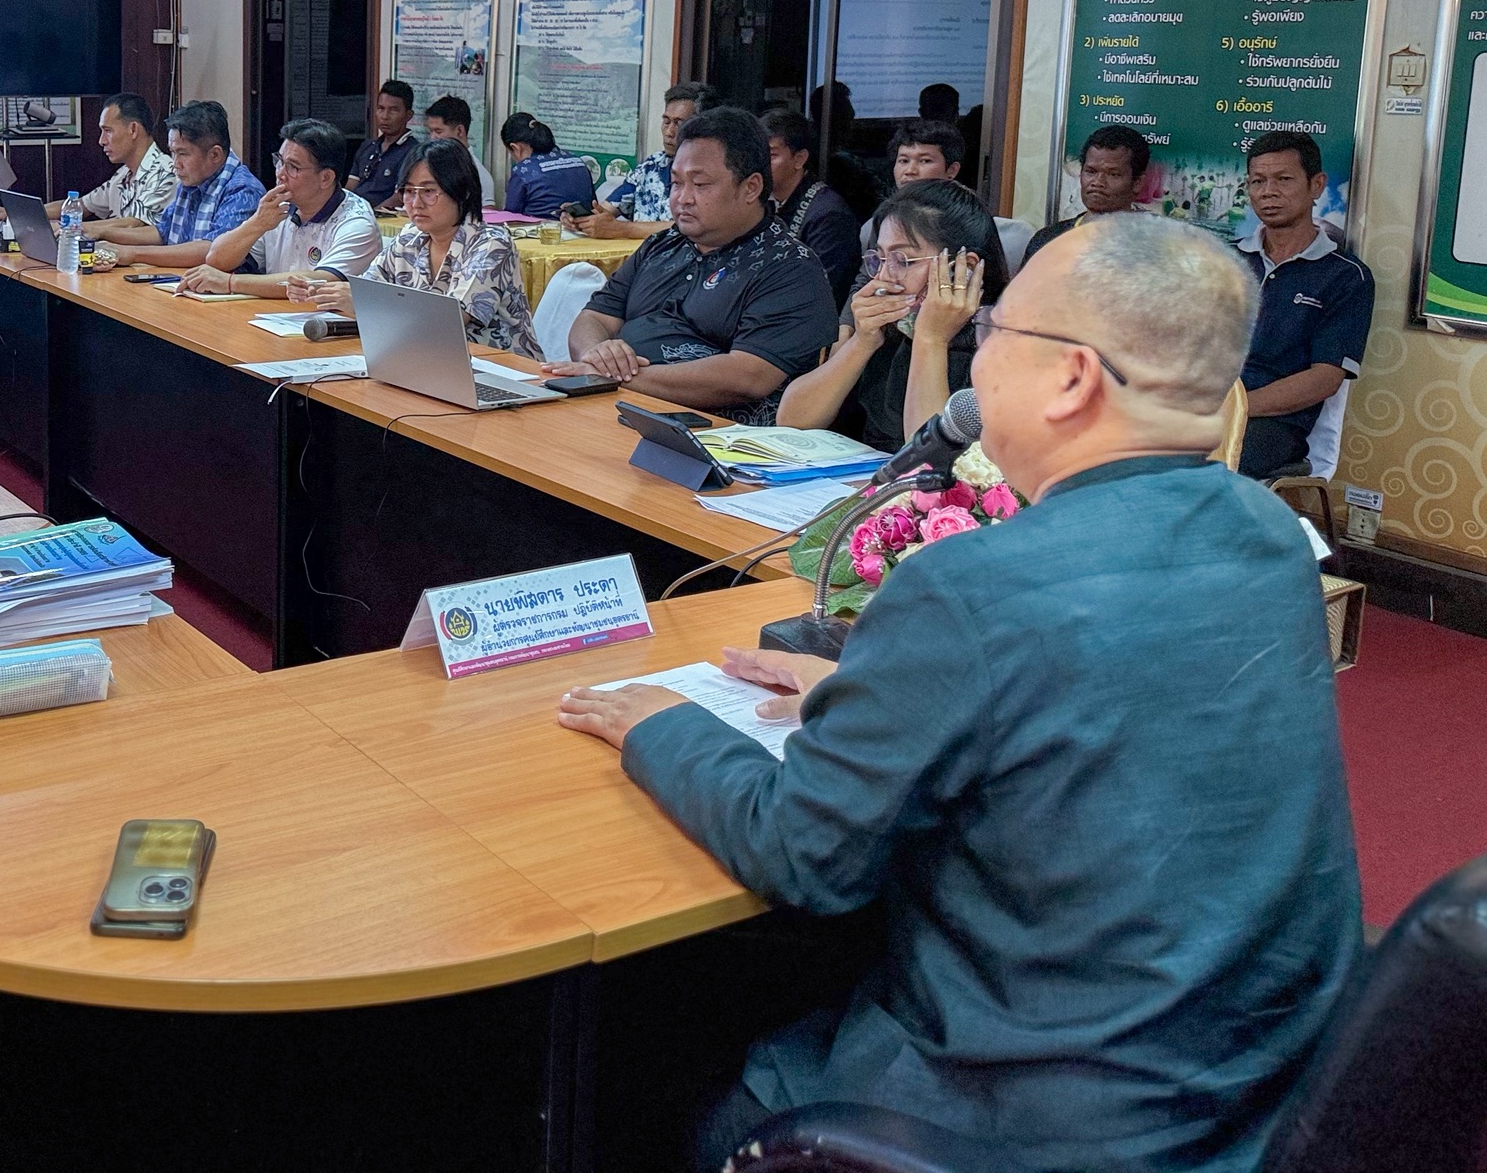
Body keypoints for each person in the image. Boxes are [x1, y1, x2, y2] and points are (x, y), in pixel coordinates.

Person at [560, 214, 1360, 1172]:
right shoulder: (1268, 536)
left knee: (652, 1068)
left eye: (994, 336)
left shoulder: (973, 584)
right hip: (1258, 1085)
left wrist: (666, 727)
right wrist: (855, 691)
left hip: (1032, 1111)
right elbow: (1088, 716)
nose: (975, 370)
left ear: (1072, 378)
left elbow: (801, 853)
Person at [542, 108, 838, 420]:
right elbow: (595, 318)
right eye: (676, 183)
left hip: (713, 440)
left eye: (700, 185)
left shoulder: (789, 268)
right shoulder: (662, 244)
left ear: (751, 187)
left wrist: (615, 378)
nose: (682, 198)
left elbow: (747, 376)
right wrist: (598, 353)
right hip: (616, 409)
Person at [776, 180, 1005, 449]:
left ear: (963, 269)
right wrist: (862, 342)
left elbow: (929, 456)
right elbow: (791, 422)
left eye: (903, 261)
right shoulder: (891, 325)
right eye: (881, 259)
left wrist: (931, 339)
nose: (884, 276)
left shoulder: (999, 344)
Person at [298, 138, 538, 358]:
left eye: (429, 192)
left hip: (499, 368)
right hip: (426, 360)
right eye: (409, 192)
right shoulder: (410, 237)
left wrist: (362, 304)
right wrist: (321, 293)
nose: (416, 203)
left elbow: (451, 321)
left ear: (462, 191)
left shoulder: (491, 244)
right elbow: (368, 288)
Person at [1236, 130, 1375, 480]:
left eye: (1283, 179)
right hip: (1202, 404)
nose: (1268, 191)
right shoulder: (1224, 259)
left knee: (1195, 465)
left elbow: (1324, 379)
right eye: (1258, 181)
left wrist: (1235, 408)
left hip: (1273, 423)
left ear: (1316, 185)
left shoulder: (1345, 276)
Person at [179, 118, 381, 298]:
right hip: (274, 319)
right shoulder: (280, 208)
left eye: (293, 167)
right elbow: (216, 261)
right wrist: (257, 223)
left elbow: (319, 281)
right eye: (280, 161)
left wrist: (231, 283)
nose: (280, 174)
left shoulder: (356, 222)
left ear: (326, 178)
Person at [90, 100, 267, 270]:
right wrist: (103, 234)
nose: (175, 163)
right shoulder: (193, 178)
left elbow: (210, 250)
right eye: (172, 152)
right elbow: (162, 232)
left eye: (183, 153)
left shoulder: (242, 190)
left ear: (215, 155)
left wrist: (133, 253)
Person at [0, 94, 174, 232]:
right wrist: (13, 214)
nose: (101, 140)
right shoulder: (123, 175)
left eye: (108, 131)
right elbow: (78, 207)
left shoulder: (166, 173)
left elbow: (134, 226)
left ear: (133, 130)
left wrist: (70, 227)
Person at [568, 82, 712, 238]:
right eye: (666, 121)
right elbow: (605, 211)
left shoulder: (709, 174)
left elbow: (692, 228)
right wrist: (580, 219)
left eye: (679, 123)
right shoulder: (650, 167)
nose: (669, 132)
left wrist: (624, 229)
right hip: (639, 259)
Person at [759, 108, 862, 300]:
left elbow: (819, 289)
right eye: (758, 153)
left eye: (771, 155)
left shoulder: (828, 215)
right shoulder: (760, 202)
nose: (760, 163)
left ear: (799, 158)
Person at [1022, 126, 1149, 266]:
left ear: (1137, 182)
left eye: (1113, 174)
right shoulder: (1047, 241)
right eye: (1091, 172)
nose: (1098, 182)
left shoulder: (1154, 249)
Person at [858, 118, 971, 253]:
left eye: (924, 161)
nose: (910, 170)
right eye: (903, 161)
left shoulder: (969, 221)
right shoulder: (876, 225)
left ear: (952, 170)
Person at [499, 113, 598, 219]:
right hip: (583, 231)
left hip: (541, 232)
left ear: (516, 148)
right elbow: (593, 205)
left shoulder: (523, 171)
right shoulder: (578, 162)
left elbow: (510, 218)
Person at [348, 79, 420, 210]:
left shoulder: (414, 152)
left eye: (393, 110)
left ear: (408, 115)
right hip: (354, 215)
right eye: (381, 109)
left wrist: (371, 216)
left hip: (382, 220)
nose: (385, 116)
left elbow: (399, 197)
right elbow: (351, 187)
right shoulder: (368, 146)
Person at [421, 95, 494, 205]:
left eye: (438, 131)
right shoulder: (425, 164)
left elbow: (487, 215)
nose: (432, 137)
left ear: (460, 131)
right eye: (430, 131)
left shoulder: (479, 175)